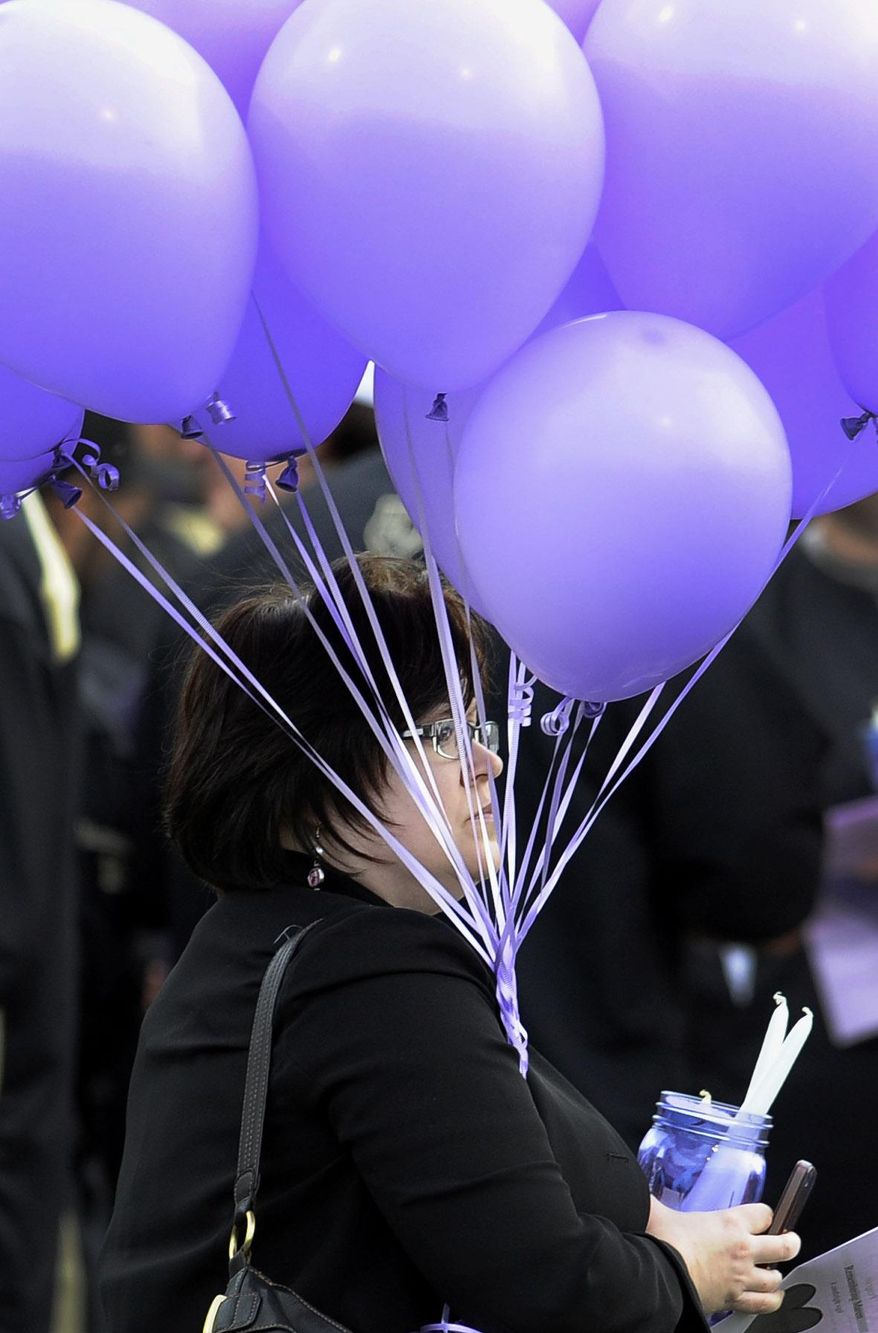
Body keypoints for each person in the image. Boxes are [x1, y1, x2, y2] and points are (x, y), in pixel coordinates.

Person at [99, 554, 797, 1333]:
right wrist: (694, 1269)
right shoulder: (370, 972)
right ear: (316, 768)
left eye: (476, 722)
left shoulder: (258, 937)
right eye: (440, 731)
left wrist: (648, 1218)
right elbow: (549, 1284)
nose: (486, 760)